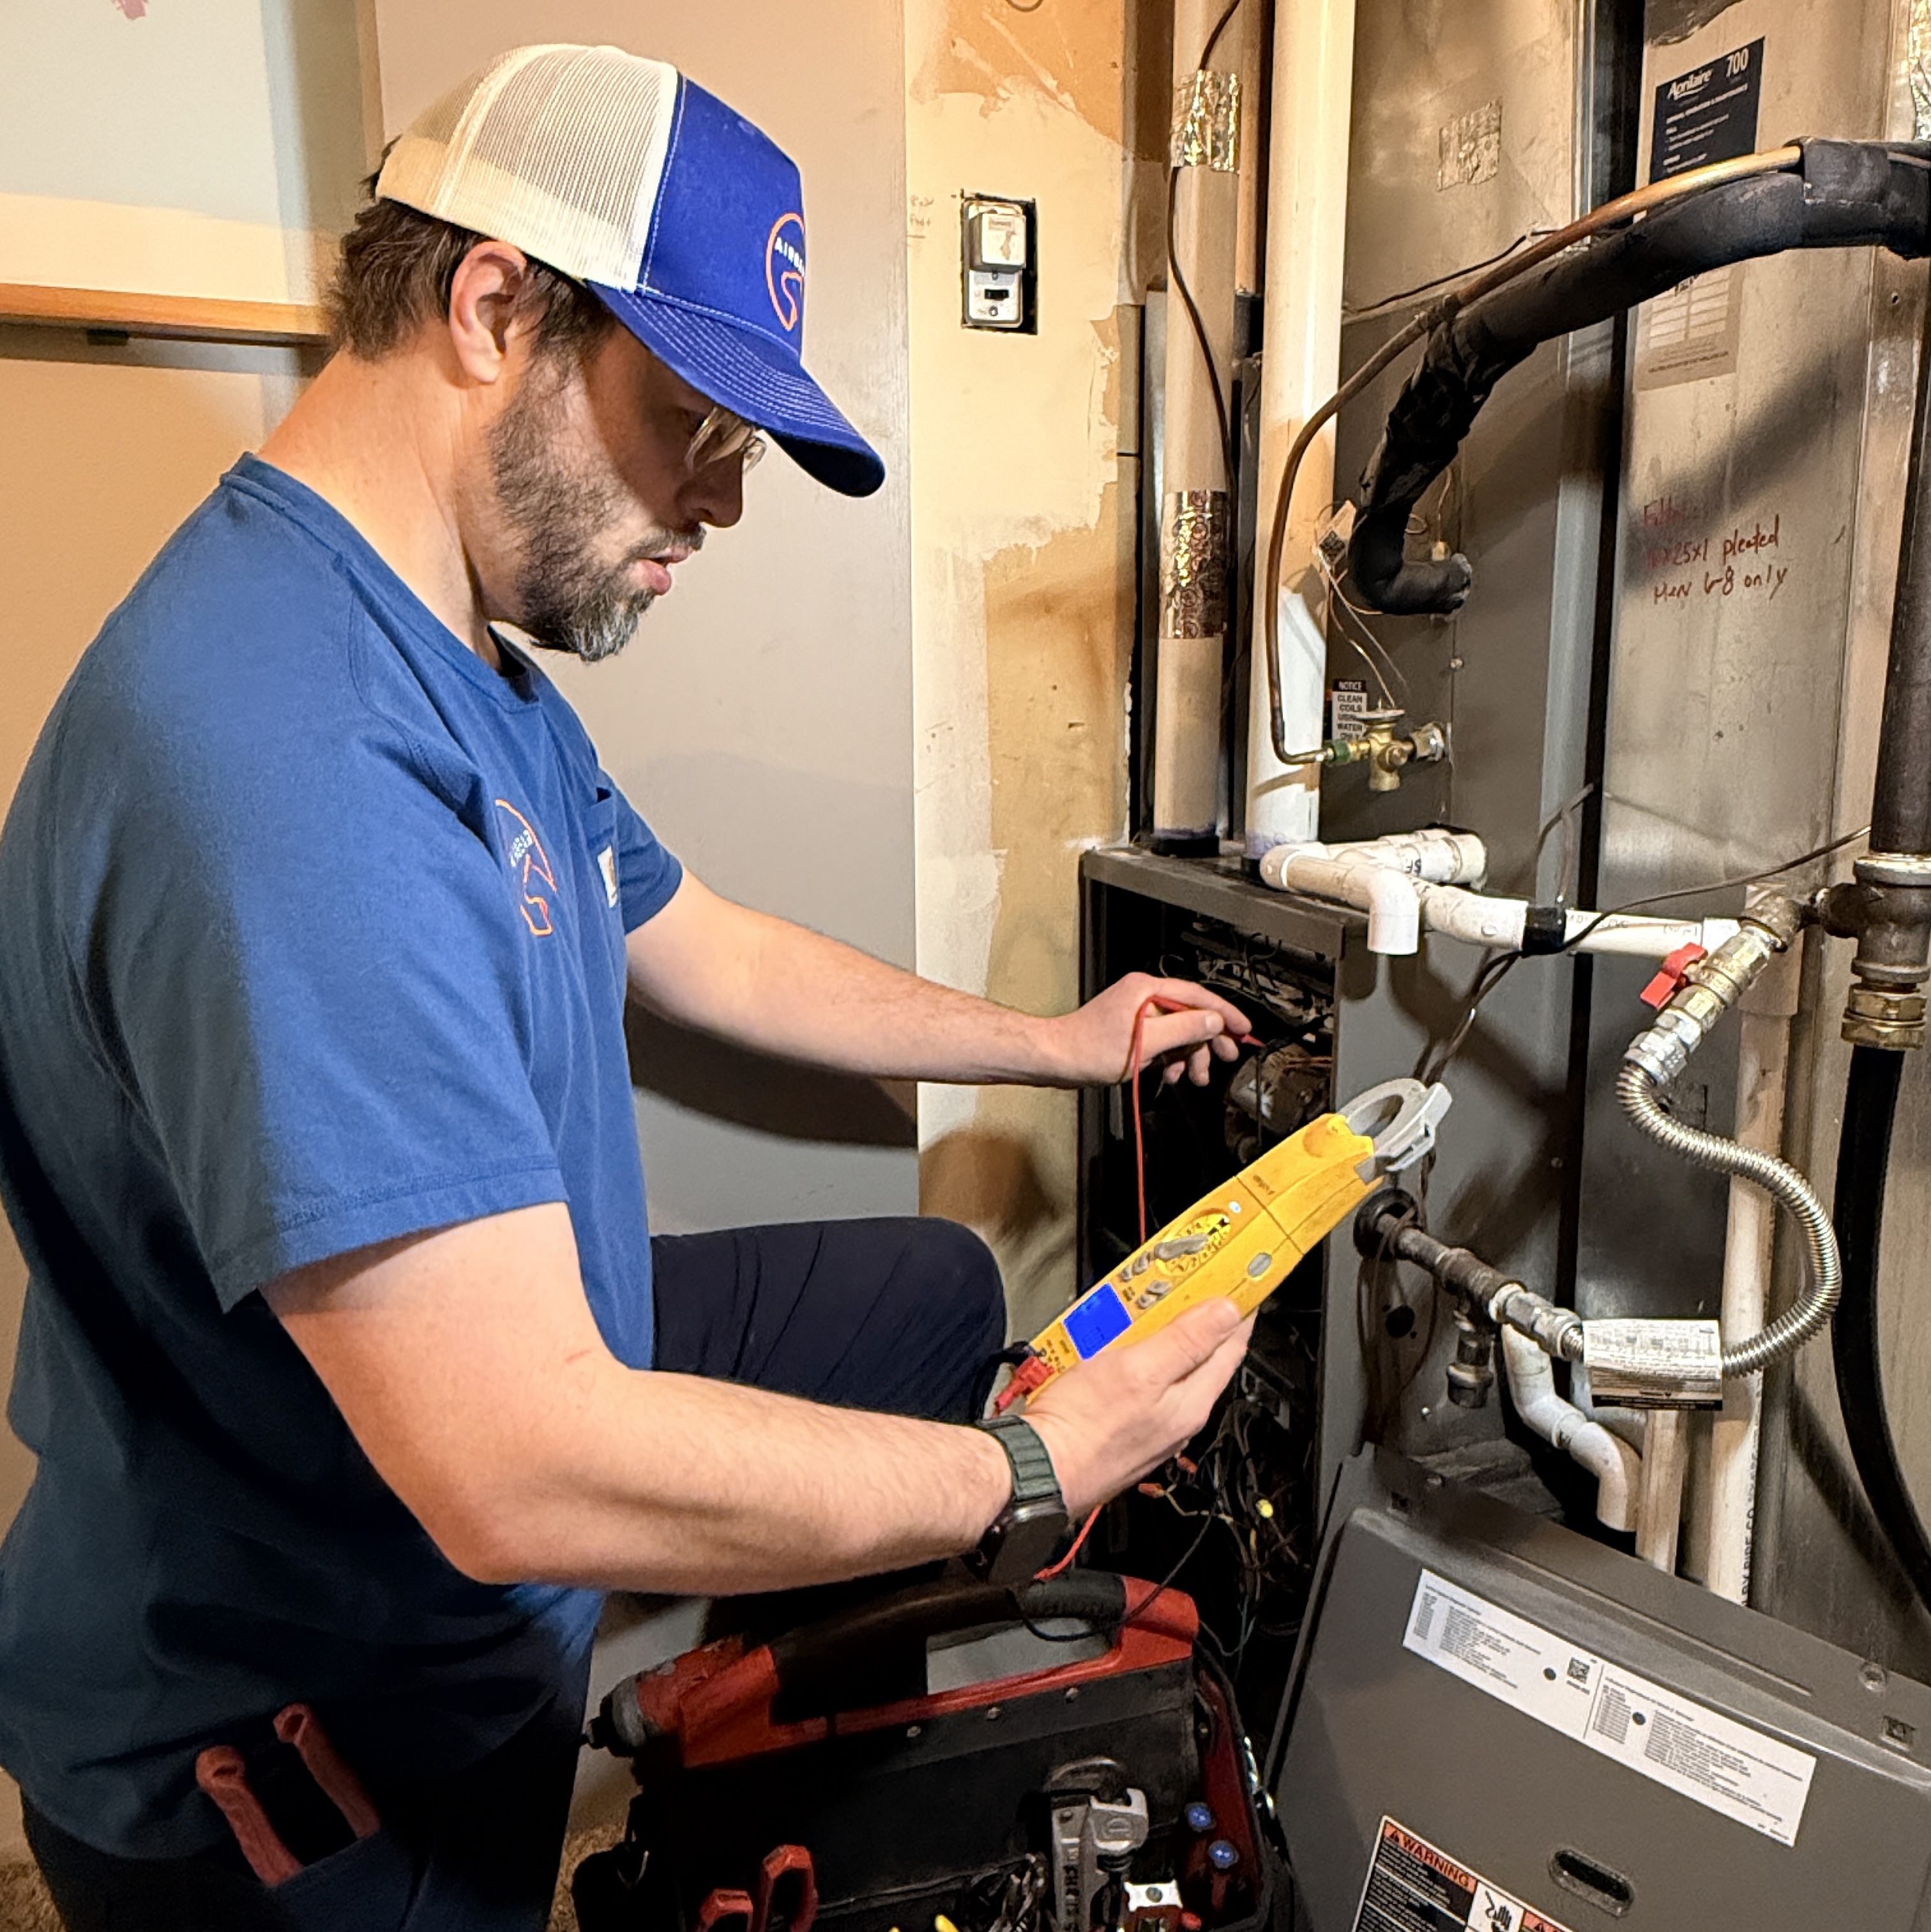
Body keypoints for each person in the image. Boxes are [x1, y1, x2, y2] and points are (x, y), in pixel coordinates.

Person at [0, 44, 1254, 1932]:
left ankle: (782, 1758)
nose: (721, 510)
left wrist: (1054, 1044)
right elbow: (517, 1465)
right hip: (307, 1759)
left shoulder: (458, 659)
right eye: (689, 426)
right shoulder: (292, 760)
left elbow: (702, 940)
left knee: (925, 1289)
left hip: (448, 1480)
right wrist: (1024, 1468)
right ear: (495, 306)